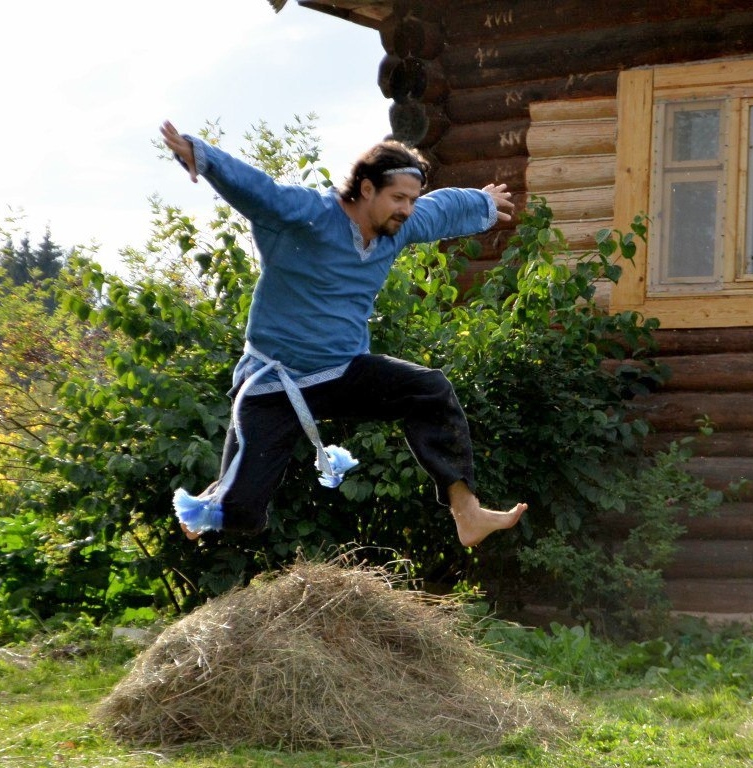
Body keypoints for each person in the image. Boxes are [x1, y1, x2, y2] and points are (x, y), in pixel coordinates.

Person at [160, 121, 527, 547]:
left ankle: (467, 512)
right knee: (240, 515)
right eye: (398, 198)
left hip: (341, 372)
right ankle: (218, 496)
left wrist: (482, 203)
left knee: (429, 390)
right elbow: (256, 189)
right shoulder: (309, 215)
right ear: (366, 189)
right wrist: (201, 156)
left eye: (411, 199)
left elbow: (441, 209)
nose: (407, 209)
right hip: (274, 382)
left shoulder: (399, 224)